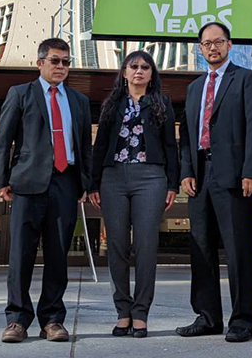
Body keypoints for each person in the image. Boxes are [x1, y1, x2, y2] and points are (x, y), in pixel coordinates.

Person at [0, 37, 92, 344]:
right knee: (21, 254)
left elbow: (84, 145)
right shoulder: (21, 93)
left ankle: (52, 319)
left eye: (66, 62)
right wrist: (0, 180)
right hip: (27, 184)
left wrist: (86, 184)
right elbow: (4, 139)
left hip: (65, 183)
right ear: (40, 63)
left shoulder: (79, 100)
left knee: (58, 255)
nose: (61, 67)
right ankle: (17, 320)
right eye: (55, 61)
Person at [176, 22, 252, 343]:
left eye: (218, 42)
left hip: (235, 176)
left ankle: (244, 319)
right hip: (200, 177)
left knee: (239, 249)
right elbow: (186, 134)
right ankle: (207, 316)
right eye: (206, 44)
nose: (212, 48)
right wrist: (186, 171)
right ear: (200, 48)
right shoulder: (194, 88)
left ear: (229, 45)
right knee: (201, 248)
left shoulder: (246, 79)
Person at [89, 51, 179, 339]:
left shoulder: (161, 104)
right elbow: (100, 144)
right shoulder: (112, 104)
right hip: (113, 178)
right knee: (116, 246)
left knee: (145, 246)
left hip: (151, 178)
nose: (139, 71)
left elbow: (170, 147)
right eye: (133, 67)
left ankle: (141, 313)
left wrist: (172, 184)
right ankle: (123, 312)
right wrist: (93, 184)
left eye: (145, 67)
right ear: (124, 73)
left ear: (152, 74)